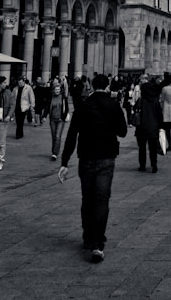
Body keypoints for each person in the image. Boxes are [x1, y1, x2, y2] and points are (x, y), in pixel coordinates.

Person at [57, 72, 130, 264]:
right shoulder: (113, 105)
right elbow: (123, 132)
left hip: (86, 158)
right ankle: (97, 243)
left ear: (91, 87)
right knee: (102, 200)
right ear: (107, 87)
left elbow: (72, 135)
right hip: (106, 158)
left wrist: (64, 163)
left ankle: (88, 236)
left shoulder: (83, 106)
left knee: (87, 198)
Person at [134, 78, 162, 172]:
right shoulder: (155, 100)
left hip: (142, 127)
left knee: (142, 148)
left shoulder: (141, 100)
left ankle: (142, 166)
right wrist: (160, 125)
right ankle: (154, 165)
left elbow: (135, 110)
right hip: (153, 127)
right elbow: (159, 114)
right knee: (153, 148)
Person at [49, 76, 73, 162]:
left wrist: (63, 117)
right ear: (53, 90)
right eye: (56, 90)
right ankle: (53, 151)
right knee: (53, 136)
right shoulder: (51, 98)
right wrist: (44, 116)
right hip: (52, 119)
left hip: (60, 120)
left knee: (57, 136)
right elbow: (48, 107)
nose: (57, 91)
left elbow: (66, 109)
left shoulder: (63, 98)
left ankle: (55, 153)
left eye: (58, 90)